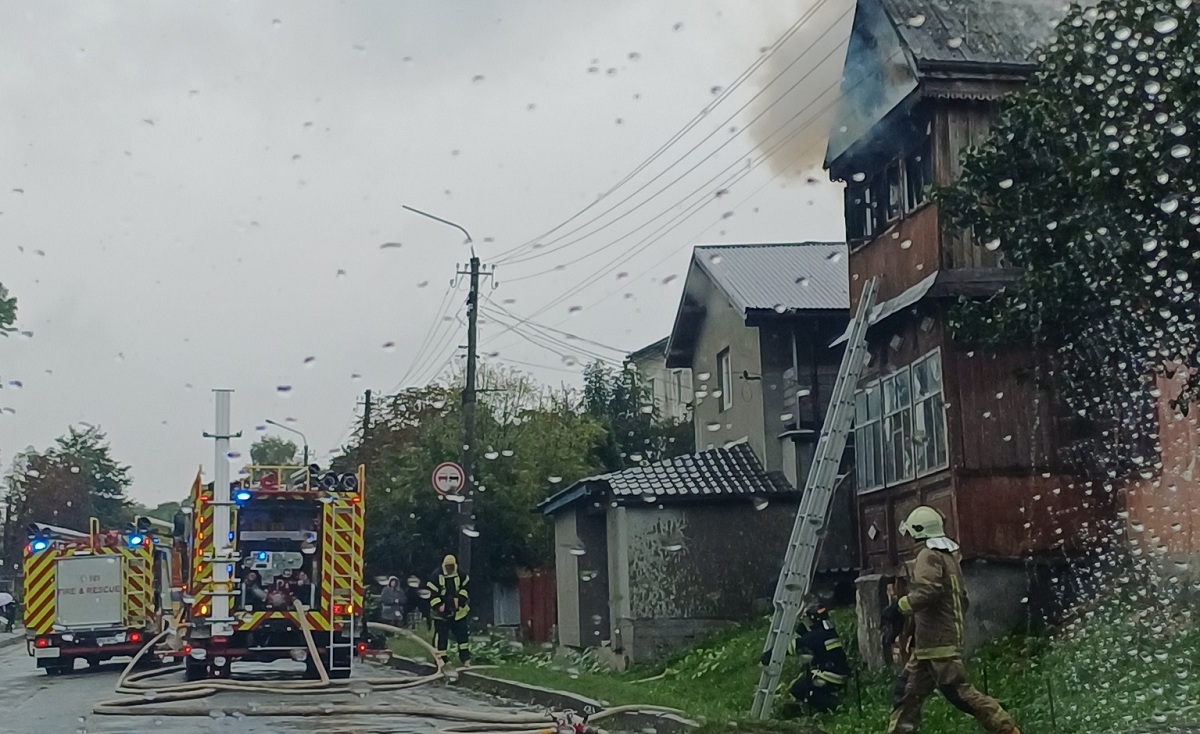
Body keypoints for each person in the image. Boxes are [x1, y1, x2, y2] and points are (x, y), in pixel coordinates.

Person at [882, 506, 1020, 734]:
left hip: (938, 646)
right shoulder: (947, 557)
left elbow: (928, 591)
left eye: (910, 533)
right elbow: (961, 600)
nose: (908, 539)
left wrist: (899, 607)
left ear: (918, 531)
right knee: (905, 693)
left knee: (960, 694)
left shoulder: (928, 555)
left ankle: (1007, 729)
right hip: (929, 646)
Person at [761, 604, 850, 715]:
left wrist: (770, 655)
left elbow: (793, 646)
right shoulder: (827, 631)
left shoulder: (816, 635)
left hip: (831, 675)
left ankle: (833, 705)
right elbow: (813, 640)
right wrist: (802, 630)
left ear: (814, 619)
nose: (808, 623)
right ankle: (824, 706)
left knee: (799, 688)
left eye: (809, 620)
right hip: (838, 671)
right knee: (805, 683)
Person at [427, 555, 471, 666]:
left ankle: (465, 659)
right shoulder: (436, 576)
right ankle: (441, 659)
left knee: (463, 637)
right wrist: (439, 605)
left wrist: (460, 600)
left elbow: (466, 589)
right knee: (441, 637)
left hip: (459, 612)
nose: (450, 568)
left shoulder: (461, 575)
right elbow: (431, 594)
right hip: (441, 614)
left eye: (451, 566)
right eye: (448, 566)